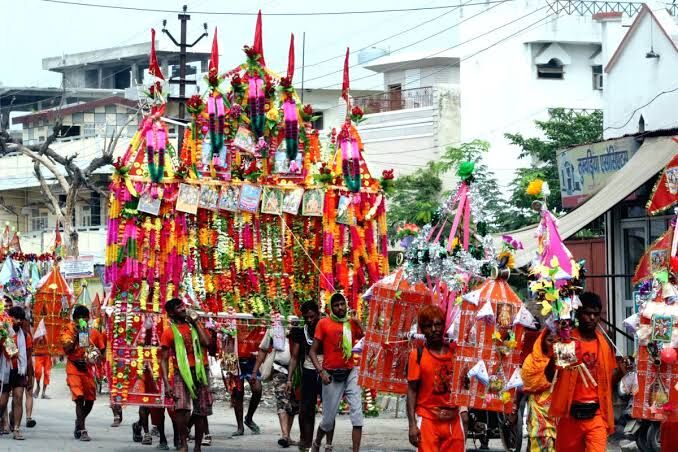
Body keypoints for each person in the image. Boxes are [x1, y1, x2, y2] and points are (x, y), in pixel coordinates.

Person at [542, 292, 631, 452]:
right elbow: (549, 377)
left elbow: (607, 383)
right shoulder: (568, 341)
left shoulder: (603, 344)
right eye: (587, 313)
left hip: (596, 415)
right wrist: (555, 356)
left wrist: (620, 374)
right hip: (570, 415)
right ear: (578, 313)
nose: (592, 318)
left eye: (595, 314)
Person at [310, 293, 364, 452]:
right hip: (331, 375)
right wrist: (321, 372)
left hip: (351, 372)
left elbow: (367, 340)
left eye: (342, 304)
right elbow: (313, 352)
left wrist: (359, 324)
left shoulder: (352, 322)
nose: (340, 308)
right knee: (327, 421)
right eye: (336, 305)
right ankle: (317, 443)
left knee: (357, 417)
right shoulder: (323, 323)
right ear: (330, 308)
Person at [406, 305, 464, 452]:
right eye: (428, 326)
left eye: (437, 324)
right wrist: (412, 425)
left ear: (444, 326)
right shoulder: (417, 355)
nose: (434, 329)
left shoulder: (456, 353)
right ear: (421, 329)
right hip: (428, 420)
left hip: (453, 421)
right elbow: (411, 392)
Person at [160, 298, 212, 452]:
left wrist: (196, 322)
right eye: (178, 307)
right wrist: (167, 383)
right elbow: (163, 360)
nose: (183, 309)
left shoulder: (196, 326)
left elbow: (207, 343)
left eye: (183, 305)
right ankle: (183, 444)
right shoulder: (168, 332)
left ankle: (197, 447)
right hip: (181, 373)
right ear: (171, 313)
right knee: (181, 410)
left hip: (201, 371)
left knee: (201, 411)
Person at [61, 304, 105, 442]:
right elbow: (67, 349)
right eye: (78, 318)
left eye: (84, 318)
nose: (81, 320)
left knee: (90, 400)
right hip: (73, 368)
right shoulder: (68, 329)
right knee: (79, 398)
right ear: (74, 319)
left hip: (87, 369)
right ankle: (82, 429)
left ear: (88, 318)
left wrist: (94, 359)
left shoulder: (94, 333)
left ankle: (79, 421)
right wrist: (77, 335)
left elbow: (102, 351)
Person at [288, 301, 328, 452]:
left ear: (318, 314)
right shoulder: (301, 332)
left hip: (325, 373)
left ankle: (324, 443)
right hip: (308, 373)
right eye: (306, 318)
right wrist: (289, 379)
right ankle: (306, 442)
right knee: (306, 409)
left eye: (312, 317)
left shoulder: (326, 327)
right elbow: (294, 357)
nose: (310, 320)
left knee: (328, 411)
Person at [252, 323, 298, 448]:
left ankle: (287, 435)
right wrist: (255, 372)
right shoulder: (274, 327)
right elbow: (263, 349)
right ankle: (284, 435)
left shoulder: (301, 325)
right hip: (280, 369)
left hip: (299, 372)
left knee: (294, 404)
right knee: (282, 401)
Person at [0, 306, 33, 440]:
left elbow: (29, 358)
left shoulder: (26, 336)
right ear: (10, 318)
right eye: (16, 318)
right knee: (2, 403)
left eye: (21, 319)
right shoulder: (3, 333)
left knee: (19, 397)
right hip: (5, 371)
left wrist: (30, 378)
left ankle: (17, 429)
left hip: (20, 371)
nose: (18, 321)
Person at [521, 328, 557, 451]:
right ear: (541, 341)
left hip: (559, 406)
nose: (553, 344)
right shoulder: (531, 360)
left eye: (557, 341)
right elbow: (527, 381)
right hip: (538, 406)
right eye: (550, 340)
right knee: (541, 440)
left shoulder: (565, 359)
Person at [230, 328, 264, 437]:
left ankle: (249, 418)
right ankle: (240, 427)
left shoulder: (258, 319)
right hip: (235, 360)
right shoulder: (234, 319)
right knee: (238, 394)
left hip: (251, 361)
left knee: (257, 390)